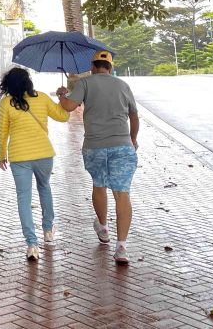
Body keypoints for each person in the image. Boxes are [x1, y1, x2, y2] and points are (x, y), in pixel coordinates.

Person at [57, 50, 139, 265]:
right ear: (110, 68)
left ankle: (103, 227)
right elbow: (134, 115)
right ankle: (121, 247)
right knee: (122, 194)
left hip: (94, 146)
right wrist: (133, 139)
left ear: (92, 66)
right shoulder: (123, 85)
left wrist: (62, 94)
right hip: (122, 145)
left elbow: (67, 107)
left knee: (99, 185)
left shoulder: (85, 84)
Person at [0, 66, 77, 261]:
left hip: (19, 157)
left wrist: (1, 155)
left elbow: (2, 133)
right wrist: (62, 96)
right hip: (44, 154)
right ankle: (48, 230)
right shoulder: (41, 97)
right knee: (44, 188)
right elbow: (64, 116)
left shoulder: (7, 104)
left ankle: (32, 244)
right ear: (28, 82)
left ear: (9, 85)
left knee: (23, 198)